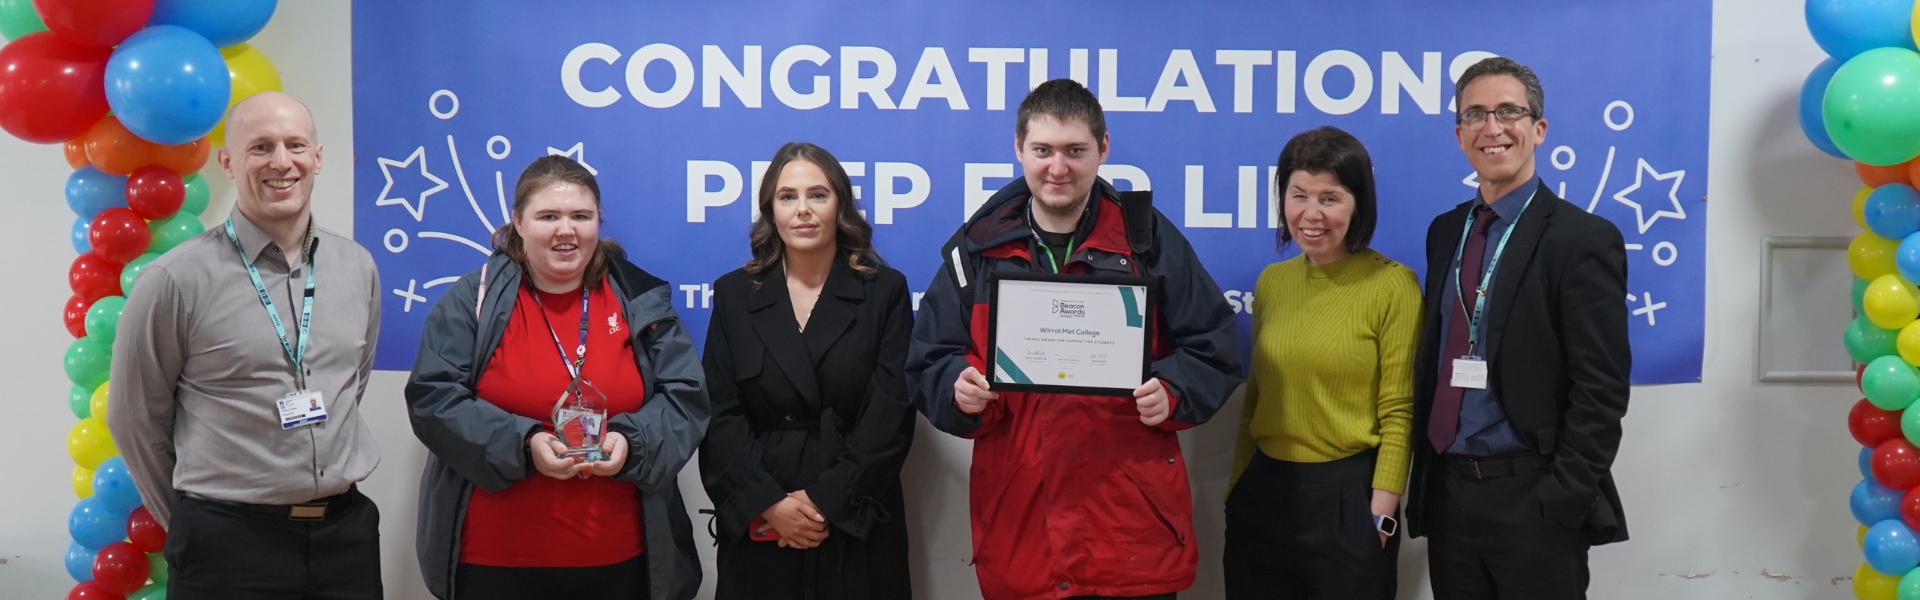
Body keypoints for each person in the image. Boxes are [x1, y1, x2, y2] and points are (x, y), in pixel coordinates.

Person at [906, 78, 1245, 600]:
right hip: (1022, 533)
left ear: (1103, 149)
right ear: (1019, 148)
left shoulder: (1147, 242)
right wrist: (958, 388)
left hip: (1128, 534)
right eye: (1042, 150)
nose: (1057, 168)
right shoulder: (976, 251)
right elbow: (929, 359)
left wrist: (1173, 391)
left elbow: (1214, 346)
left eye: (1075, 151)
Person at [107, 91, 384, 599]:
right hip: (227, 546)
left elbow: (352, 383)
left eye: (295, 144)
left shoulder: (357, 267)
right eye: (260, 147)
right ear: (229, 163)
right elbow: (134, 418)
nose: (282, 162)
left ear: (318, 157)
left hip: (345, 538)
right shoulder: (175, 279)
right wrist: (195, 520)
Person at [404, 155, 708, 600]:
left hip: (624, 561)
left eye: (580, 216)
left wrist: (632, 443)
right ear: (519, 223)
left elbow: (686, 397)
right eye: (548, 216)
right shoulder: (474, 298)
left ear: (597, 224)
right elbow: (433, 397)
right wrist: (523, 445)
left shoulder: (640, 297)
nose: (566, 231)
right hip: (494, 561)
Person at [1405, 57, 1632, 599]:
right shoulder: (1445, 231)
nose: (1492, 127)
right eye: (1476, 115)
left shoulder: (1582, 240)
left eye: (1509, 111)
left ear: (1538, 128)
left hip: (1533, 499)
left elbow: (1601, 387)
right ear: (1459, 133)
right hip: (1451, 497)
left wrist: (1563, 497)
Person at [699, 142, 916, 599]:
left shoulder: (885, 292)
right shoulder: (735, 295)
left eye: (818, 195)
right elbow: (720, 416)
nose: (803, 210)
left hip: (856, 514)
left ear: (840, 205)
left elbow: (891, 415)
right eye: (787, 197)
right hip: (765, 518)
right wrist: (770, 504)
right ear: (770, 212)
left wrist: (825, 502)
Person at [1223, 126, 1420, 599]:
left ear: (1359, 204)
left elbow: (1400, 410)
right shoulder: (1272, 282)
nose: (1311, 214)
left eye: (1330, 198)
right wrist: (1236, 489)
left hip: (1348, 496)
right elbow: (1257, 397)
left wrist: (1382, 512)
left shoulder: (1393, 285)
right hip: (1264, 494)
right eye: (1298, 196)